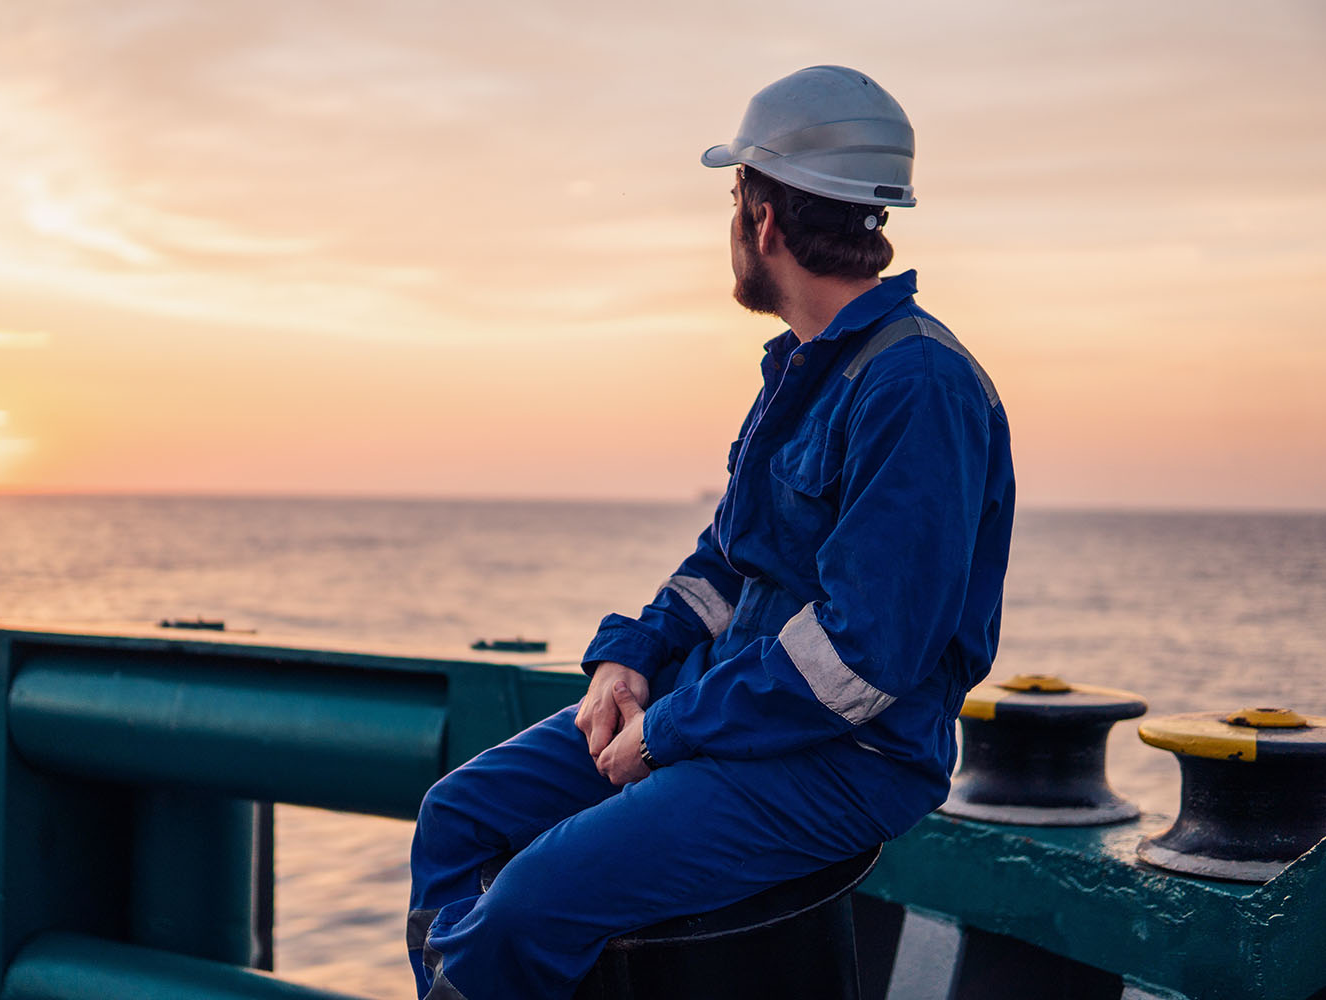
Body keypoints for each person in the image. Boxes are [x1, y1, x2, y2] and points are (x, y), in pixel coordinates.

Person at [407, 65, 1016, 1000]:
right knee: (459, 816)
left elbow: (862, 657)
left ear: (763, 219)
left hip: (844, 760)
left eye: (735, 195)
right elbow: (728, 565)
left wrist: (670, 733)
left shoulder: (917, 388)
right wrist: (631, 659)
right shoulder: (808, 371)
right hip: (726, 708)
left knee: (532, 902)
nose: (731, 223)